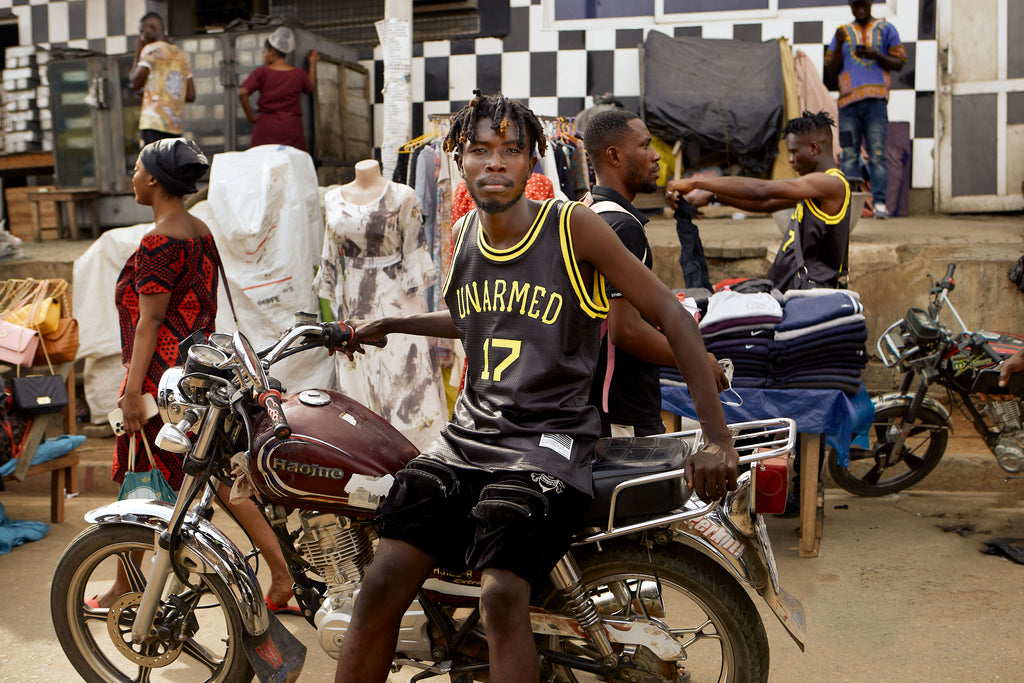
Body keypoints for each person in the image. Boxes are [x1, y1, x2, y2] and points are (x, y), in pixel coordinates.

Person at [333, 91, 739, 682]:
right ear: (458, 159)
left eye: (511, 150)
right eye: (480, 150)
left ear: (532, 162)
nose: (494, 162)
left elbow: (672, 316)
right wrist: (393, 323)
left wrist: (716, 438)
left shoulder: (574, 227)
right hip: (469, 439)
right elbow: (476, 318)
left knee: (502, 591)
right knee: (381, 580)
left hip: (552, 443)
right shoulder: (467, 231)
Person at [89, 138, 298, 616]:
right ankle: (282, 573)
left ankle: (126, 584)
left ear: (156, 181)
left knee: (146, 477)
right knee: (215, 477)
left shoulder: (159, 239)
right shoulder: (199, 229)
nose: (132, 178)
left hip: (163, 382)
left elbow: (149, 322)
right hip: (198, 373)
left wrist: (131, 390)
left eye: (137, 169)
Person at [583, 108, 726, 437]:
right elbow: (626, 330)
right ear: (614, 155)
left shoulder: (588, 208)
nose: (656, 156)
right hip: (620, 410)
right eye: (645, 146)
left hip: (599, 404)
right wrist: (696, 360)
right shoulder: (621, 226)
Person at [313, 159, 448, 451]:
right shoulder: (332, 199)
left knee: (404, 383)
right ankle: (367, 459)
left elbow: (415, 255)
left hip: (397, 299)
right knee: (359, 378)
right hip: (353, 300)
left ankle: (418, 455)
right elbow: (329, 256)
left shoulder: (403, 196)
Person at [667, 111, 852, 292]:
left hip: (810, 297)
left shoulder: (831, 183)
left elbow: (762, 190)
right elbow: (768, 204)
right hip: (793, 291)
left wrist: (695, 182)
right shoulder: (815, 188)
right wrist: (714, 196)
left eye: (794, 152)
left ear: (813, 148)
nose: (790, 159)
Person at [825, 0, 906, 220]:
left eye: (864, 4)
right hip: (848, 104)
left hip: (876, 102)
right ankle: (850, 205)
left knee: (877, 152)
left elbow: (900, 62)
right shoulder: (842, 32)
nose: (860, 8)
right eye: (855, 4)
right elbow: (831, 69)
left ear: (870, 3)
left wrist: (876, 55)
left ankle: (879, 203)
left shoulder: (886, 28)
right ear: (850, 6)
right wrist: (841, 46)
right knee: (849, 154)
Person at [239, 26, 320, 152]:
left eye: (264, 52)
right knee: (292, 165)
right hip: (291, 128)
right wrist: (312, 63)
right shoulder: (298, 74)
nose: (264, 56)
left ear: (272, 52)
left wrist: (251, 117)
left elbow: (243, 92)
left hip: (266, 128)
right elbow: (309, 87)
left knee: (263, 164)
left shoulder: (262, 72)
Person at [129, 13, 195, 148]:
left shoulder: (151, 50)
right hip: (174, 126)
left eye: (142, 31)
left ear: (151, 29)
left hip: (153, 124)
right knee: (170, 166)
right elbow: (190, 95)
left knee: (153, 166)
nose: (142, 36)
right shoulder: (180, 55)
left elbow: (134, 82)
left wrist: (138, 52)